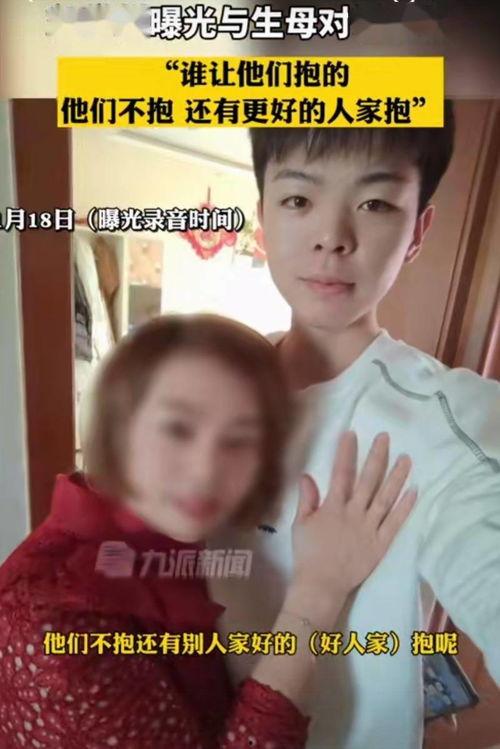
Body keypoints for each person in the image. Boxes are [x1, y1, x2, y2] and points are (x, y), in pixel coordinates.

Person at [209, 102, 500, 749]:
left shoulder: (446, 420)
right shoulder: (205, 390)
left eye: (374, 203)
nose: (332, 237)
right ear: (263, 216)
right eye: (298, 199)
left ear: (418, 230)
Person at [0, 313, 416, 749]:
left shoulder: (160, 541)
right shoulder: (52, 620)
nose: (206, 471)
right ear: (117, 426)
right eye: (177, 429)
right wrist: (316, 596)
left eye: (239, 440)